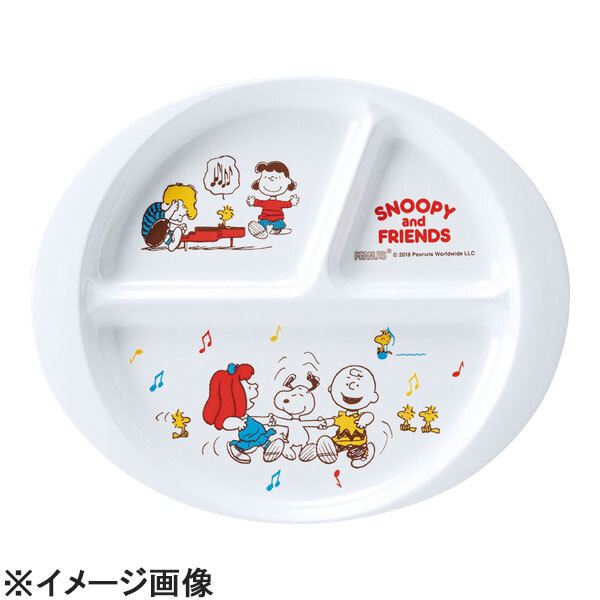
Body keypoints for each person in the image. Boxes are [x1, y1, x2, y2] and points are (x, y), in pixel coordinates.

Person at [203, 363, 284, 464]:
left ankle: (268, 447)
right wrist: (238, 423)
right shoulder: (235, 417)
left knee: (259, 441)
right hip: (249, 437)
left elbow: (255, 419)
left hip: (257, 433)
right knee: (249, 445)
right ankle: (236, 448)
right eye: (249, 387)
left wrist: (267, 420)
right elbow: (225, 423)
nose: (255, 386)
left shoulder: (244, 415)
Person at [246, 161, 299, 238]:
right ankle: (263, 230)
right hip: (265, 218)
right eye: (266, 178)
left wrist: (292, 202)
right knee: (264, 223)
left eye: (278, 178)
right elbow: (259, 203)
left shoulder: (279, 203)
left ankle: (275, 230)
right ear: (259, 181)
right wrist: (253, 201)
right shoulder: (266, 202)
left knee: (278, 224)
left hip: (277, 219)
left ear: (288, 181)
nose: (272, 181)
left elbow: (286, 204)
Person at [141, 183, 198, 251]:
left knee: (168, 227)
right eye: (180, 215)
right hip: (149, 236)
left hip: (157, 236)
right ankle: (173, 239)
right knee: (165, 223)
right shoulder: (156, 209)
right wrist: (172, 209)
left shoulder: (165, 219)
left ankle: (171, 242)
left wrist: (179, 227)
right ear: (175, 204)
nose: (180, 220)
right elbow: (165, 216)